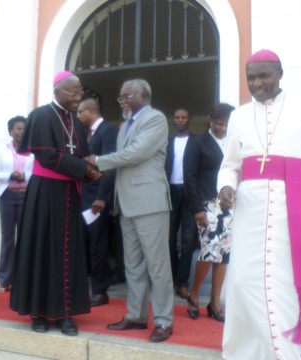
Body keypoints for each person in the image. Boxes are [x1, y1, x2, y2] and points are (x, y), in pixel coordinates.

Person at [218, 49, 301, 359]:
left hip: (290, 215)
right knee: (243, 284)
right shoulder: (239, 116)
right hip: (249, 213)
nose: (257, 83)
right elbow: (229, 165)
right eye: (251, 78)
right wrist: (227, 186)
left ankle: (290, 353)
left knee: (285, 286)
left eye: (264, 75)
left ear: (280, 73)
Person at [9, 71, 101, 336]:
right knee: (42, 250)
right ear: (59, 92)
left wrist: (94, 169)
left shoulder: (75, 120)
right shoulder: (40, 116)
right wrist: (86, 169)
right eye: (74, 93)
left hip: (70, 194)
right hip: (45, 194)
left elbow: (82, 154)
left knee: (68, 253)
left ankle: (65, 314)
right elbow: (48, 157)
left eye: (80, 93)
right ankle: (38, 313)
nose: (78, 98)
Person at [88, 79, 174, 343]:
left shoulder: (155, 119)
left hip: (150, 202)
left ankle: (163, 320)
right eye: (120, 97)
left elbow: (135, 154)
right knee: (133, 265)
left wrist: (98, 161)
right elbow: (126, 157)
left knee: (157, 265)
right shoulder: (126, 124)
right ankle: (136, 315)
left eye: (127, 95)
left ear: (143, 95)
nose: (122, 100)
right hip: (126, 203)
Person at [183, 103, 234, 323]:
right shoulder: (197, 142)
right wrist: (196, 208)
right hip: (207, 204)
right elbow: (189, 176)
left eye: (226, 124)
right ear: (210, 121)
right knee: (209, 252)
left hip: (229, 206)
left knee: (224, 256)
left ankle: (214, 303)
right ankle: (194, 295)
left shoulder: (234, 142)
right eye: (219, 123)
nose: (223, 127)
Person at [78, 97, 118, 307]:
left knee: (98, 245)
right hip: (85, 198)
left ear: (91, 111)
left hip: (97, 199)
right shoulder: (88, 134)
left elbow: (110, 165)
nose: (78, 116)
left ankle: (100, 292)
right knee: (87, 243)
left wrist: (102, 197)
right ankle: (107, 276)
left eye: (80, 112)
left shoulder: (108, 131)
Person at [0, 116, 33, 293]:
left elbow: (37, 172)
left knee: (25, 238)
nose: (21, 132)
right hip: (7, 196)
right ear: (10, 131)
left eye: (24, 129)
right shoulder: (1, 149)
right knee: (8, 239)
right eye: (18, 128)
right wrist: (10, 175)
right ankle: (4, 280)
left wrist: (25, 176)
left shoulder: (34, 151)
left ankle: (23, 280)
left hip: (26, 197)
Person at [165, 108, 198, 300]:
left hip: (189, 194)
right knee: (168, 240)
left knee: (187, 241)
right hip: (170, 193)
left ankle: (183, 283)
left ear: (189, 119)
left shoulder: (197, 141)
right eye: (177, 117)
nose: (180, 120)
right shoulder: (167, 142)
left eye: (183, 117)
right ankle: (173, 280)